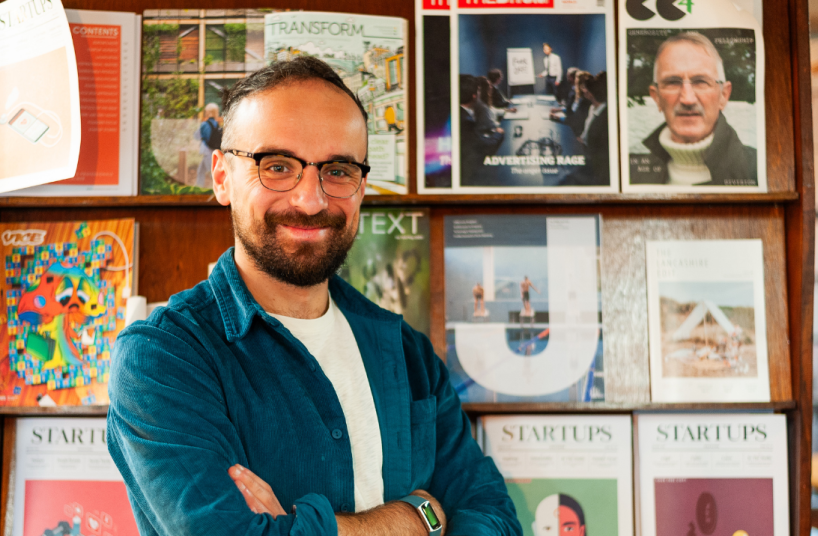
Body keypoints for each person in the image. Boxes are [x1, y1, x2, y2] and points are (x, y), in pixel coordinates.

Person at [107, 56, 521, 536]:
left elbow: (495, 518)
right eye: (277, 166)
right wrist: (417, 517)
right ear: (221, 177)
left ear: (362, 186)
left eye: (338, 170)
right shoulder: (163, 358)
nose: (310, 200)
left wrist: (301, 527)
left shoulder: (407, 354)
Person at [634, 32, 757, 186]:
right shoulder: (633, 172)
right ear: (656, 97)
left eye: (701, 81)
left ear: (724, 95)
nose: (687, 99)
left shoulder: (758, 169)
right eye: (673, 82)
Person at [563, 71, 610, 186]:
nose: (583, 90)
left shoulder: (605, 117)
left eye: (586, 89)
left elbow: (598, 155)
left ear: (591, 94)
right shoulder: (592, 108)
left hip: (591, 167)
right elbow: (585, 136)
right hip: (583, 152)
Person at [460, 74, 505, 184]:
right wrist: (499, 134)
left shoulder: (463, 113)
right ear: (475, 95)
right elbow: (484, 146)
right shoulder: (465, 121)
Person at [195, 103, 223, 189]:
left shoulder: (204, 124)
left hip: (206, 151)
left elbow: (196, 136)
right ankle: (198, 187)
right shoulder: (216, 124)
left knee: (212, 173)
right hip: (213, 150)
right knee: (201, 171)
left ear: (207, 112)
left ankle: (219, 190)